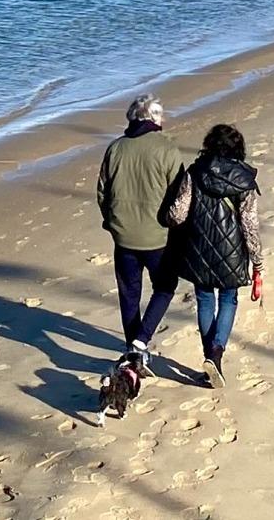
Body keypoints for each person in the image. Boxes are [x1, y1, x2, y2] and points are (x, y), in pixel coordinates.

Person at [97, 95, 193, 390]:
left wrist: (111, 222)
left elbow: (103, 192)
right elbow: (181, 194)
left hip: (124, 236)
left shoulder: (115, 148)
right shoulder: (166, 149)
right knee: (165, 286)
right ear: (155, 118)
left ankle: (134, 350)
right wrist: (179, 227)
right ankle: (140, 342)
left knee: (129, 295)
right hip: (157, 236)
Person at [161, 123, 264, 390]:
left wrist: (163, 216)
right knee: (228, 299)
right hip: (233, 255)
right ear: (238, 148)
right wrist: (257, 262)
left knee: (205, 300)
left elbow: (177, 214)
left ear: (209, 144)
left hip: (198, 250)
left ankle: (211, 360)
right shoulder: (245, 179)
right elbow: (249, 224)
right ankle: (216, 353)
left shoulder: (194, 172)